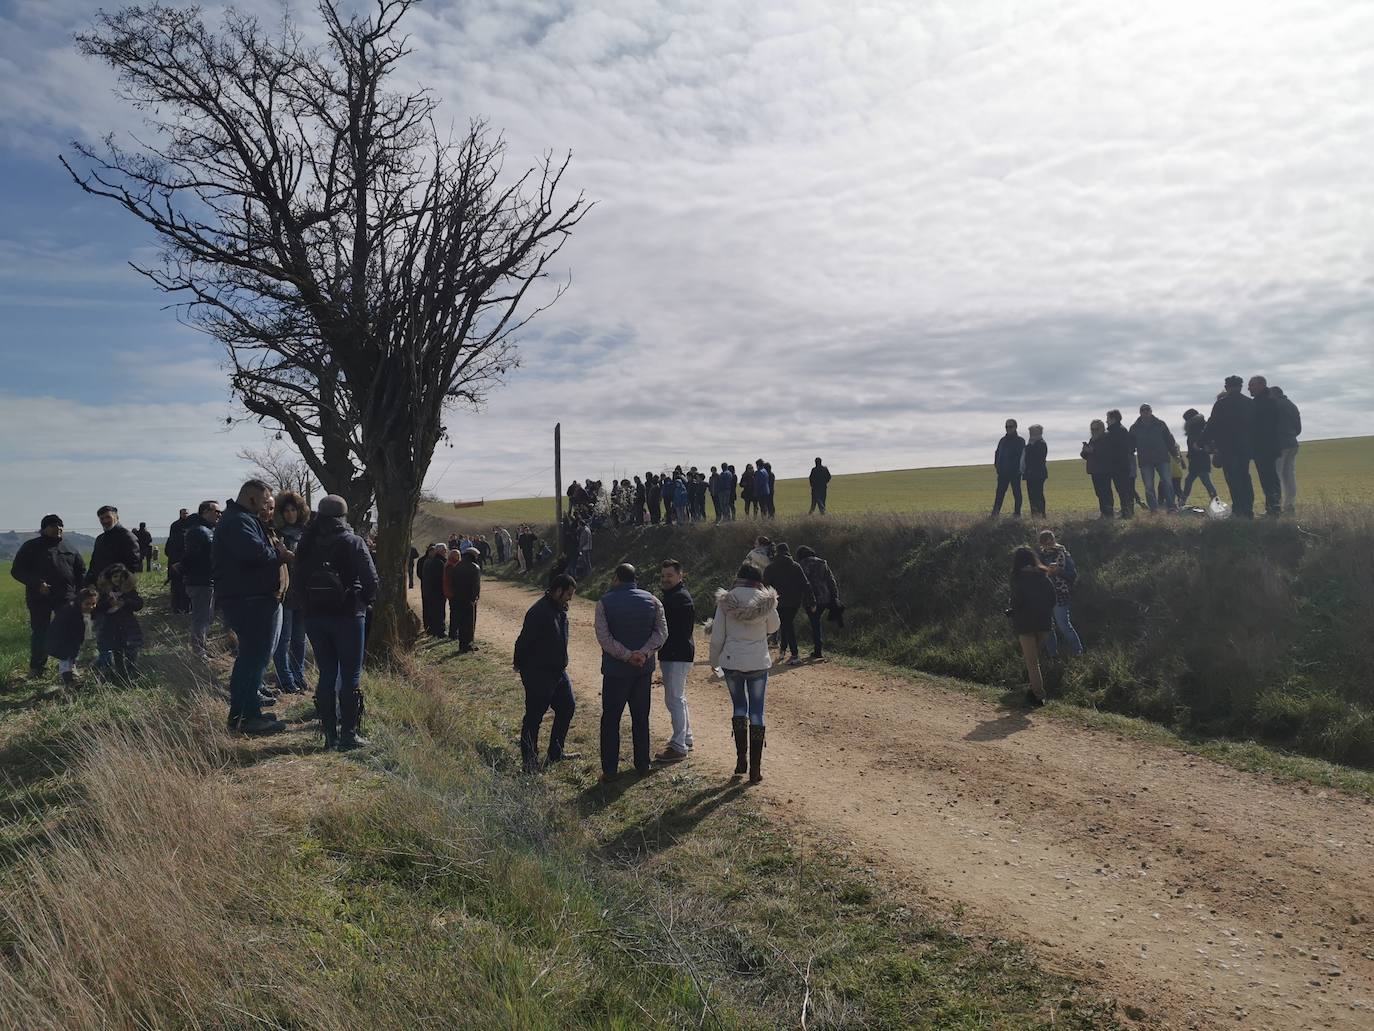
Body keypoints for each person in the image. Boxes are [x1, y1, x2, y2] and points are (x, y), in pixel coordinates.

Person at [295, 494, 378, 750]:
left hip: (314, 617)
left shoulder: (305, 543)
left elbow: (297, 581)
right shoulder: (352, 541)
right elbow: (371, 581)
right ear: (343, 516)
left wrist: (308, 607)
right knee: (350, 676)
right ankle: (349, 736)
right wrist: (362, 602)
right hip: (348, 616)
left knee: (326, 674)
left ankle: (329, 735)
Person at [212, 480, 290, 735]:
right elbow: (255, 554)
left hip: (251, 598)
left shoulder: (242, 518)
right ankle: (245, 718)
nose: (268, 505)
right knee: (252, 659)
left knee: (252, 658)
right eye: (265, 499)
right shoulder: (238, 521)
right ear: (253, 498)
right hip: (249, 600)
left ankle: (249, 711)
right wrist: (279, 552)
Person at [594, 564, 668, 782]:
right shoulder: (653, 601)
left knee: (610, 720)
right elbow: (661, 633)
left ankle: (610, 769)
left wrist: (627, 655)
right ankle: (642, 764)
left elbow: (604, 637)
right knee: (640, 718)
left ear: (616, 578)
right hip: (642, 671)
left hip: (616, 672)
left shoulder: (604, 603)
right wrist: (643, 654)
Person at [709, 563, 780, 783]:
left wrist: (714, 661)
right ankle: (755, 770)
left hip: (732, 662)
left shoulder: (727, 600)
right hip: (758, 662)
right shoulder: (766, 600)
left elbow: (718, 636)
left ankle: (741, 759)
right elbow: (774, 627)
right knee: (757, 711)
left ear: (738, 577)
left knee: (740, 707)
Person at [513, 573, 580, 773]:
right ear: (558, 591)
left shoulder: (559, 609)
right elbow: (523, 641)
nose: (570, 599)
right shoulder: (539, 612)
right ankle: (529, 761)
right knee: (534, 717)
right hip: (538, 673)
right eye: (568, 594)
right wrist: (519, 664)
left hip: (558, 672)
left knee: (567, 707)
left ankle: (556, 752)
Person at [10, 514, 86, 678]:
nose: (58, 529)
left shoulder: (70, 547)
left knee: (68, 631)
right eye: (53, 526)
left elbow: (81, 572)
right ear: (44, 529)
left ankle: (69, 667)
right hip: (39, 597)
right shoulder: (31, 546)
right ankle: (37, 668)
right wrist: (37, 584)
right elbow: (17, 571)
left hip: (66, 597)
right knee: (40, 633)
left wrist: (80, 593)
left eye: (60, 526)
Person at [655, 559, 695, 763]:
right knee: (679, 698)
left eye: (669, 575)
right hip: (677, 653)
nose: (665, 579)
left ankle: (678, 746)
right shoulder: (674, 596)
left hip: (676, 655)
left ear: (680, 576)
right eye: (663, 576)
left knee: (674, 699)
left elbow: (665, 630)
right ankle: (686, 738)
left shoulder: (677, 599)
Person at [271, 492, 310, 694]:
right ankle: (285, 679)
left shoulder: (308, 533)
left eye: (293, 509)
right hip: (285, 592)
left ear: (300, 511)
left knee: (299, 639)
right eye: (286, 510)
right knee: (283, 639)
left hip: (304, 592)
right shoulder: (277, 533)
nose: (290, 514)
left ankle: (298, 675)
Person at [1203, 375, 1256, 519]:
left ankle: (1238, 509)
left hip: (1227, 449)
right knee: (1245, 477)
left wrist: (1202, 442)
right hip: (1245, 448)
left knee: (1233, 479)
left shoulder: (1221, 404)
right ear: (1241, 386)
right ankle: (1248, 509)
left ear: (1227, 387)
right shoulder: (1249, 403)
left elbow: (1211, 426)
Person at [1008, 546, 1055, 707]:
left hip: (1025, 623)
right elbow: (1052, 599)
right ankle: (1033, 689)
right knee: (1036, 659)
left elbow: (1016, 601)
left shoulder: (1017, 578)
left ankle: (1038, 694)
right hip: (1044, 623)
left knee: (1032, 662)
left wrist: (1013, 611)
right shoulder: (1043, 575)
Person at [179, 500, 222, 659]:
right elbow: (193, 558)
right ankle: (199, 652)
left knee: (206, 617)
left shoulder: (209, 530)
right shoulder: (200, 532)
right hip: (200, 581)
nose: (219, 514)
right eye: (215, 511)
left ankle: (202, 647)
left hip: (206, 580)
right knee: (201, 617)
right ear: (204, 512)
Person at [763, 543, 815, 666]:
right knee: (786, 624)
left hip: (777, 601)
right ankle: (783, 650)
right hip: (794, 602)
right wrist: (812, 601)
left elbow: (765, 586)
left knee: (786, 625)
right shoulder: (796, 566)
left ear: (777, 553)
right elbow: (806, 584)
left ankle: (794, 654)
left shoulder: (771, 567)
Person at [1036, 530, 1082, 658]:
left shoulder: (1064, 555)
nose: (1050, 544)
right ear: (1042, 544)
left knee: (1063, 625)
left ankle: (1077, 651)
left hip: (1061, 594)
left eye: (1051, 541)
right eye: (1046, 543)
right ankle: (1053, 654)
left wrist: (1059, 572)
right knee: (1048, 628)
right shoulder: (1040, 557)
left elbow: (1072, 575)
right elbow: (1037, 576)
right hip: (1044, 596)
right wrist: (1046, 573)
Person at [95, 563, 144, 682]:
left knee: (131, 651)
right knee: (116, 651)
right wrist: (108, 604)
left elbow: (139, 604)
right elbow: (97, 608)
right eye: (115, 576)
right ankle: (119, 675)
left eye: (121, 576)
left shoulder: (129, 591)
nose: (118, 579)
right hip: (110, 627)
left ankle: (132, 673)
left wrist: (125, 603)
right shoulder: (104, 593)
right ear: (109, 578)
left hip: (128, 626)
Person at [47, 587, 100, 690]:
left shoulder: (82, 611)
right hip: (60, 639)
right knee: (65, 659)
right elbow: (68, 629)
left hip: (71, 639)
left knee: (71, 657)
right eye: (87, 604)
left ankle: (72, 676)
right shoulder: (71, 612)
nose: (91, 607)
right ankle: (68, 682)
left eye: (93, 603)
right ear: (80, 602)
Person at [1129, 404, 1179, 512]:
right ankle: (1154, 510)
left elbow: (1169, 440)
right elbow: (1130, 445)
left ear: (1151, 411)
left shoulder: (1160, 424)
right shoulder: (1134, 428)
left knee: (1167, 482)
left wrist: (1175, 455)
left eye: (1147, 410)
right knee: (1149, 486)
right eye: (1143, 410)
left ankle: (1171, 507)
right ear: (1140, 412)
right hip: (1145, 460)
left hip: (1162, 458)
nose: (1145, 412)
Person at [795, 545, 840, 660]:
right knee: (817, 622)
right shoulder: (822, 562)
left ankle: (818, 649)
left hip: (811, 599)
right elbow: (831, 580)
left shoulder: (802, 565)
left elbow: (801, 583)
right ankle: (818, 648)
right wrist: (835, 596)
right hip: (825, 597)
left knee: (815, 623)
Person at [1248, 375, 1283, 517]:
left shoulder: (1263, 403)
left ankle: (1273, 508)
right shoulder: (1270, 401)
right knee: (1270, 478)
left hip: (1264, 447)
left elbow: (1258, 426)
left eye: (1251, 385)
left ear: (1260, 385)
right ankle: (1273, 507)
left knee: (1268, 479)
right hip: (1269, 446)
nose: (1248, 388)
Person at [87, 505, 142, 586]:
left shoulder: (127, 537)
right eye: (102, 518)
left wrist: (118, 586)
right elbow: (94, 564)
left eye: (108, 517)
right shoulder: (100, 539)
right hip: (101, 588)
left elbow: (133, 566)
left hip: (119, 589)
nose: (105, 521)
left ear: (116, 517)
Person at [1270, 385, 1302, 515]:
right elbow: (1298, 428)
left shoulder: (1275, 405)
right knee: (1289, 475)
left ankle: (1275, 505)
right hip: (1292, 442)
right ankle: (1289, 506)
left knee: (1276, 475)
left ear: (1273, 394)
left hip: (1279, 444)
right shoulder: (1292, 405)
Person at [1179, 411, 1218, 507]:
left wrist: (1201, 449)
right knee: (1194, 481)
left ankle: (1216, 502)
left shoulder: (1195, 430)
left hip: (1199, 460)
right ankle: (1216, 501)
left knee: (1205, 482)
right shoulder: (1200, 428)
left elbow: (1199, 445)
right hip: (1198, 460)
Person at [448, 547, 482, 653]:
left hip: (458, 598)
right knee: (470, 622)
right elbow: (476, 585)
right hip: (469, 599)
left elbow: (452, 582)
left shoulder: (457, 566)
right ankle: (468, 644)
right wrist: (475, 597)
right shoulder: (475, 567)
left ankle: (462, 644)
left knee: (461, 622)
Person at [1103, 410, 1136, 518]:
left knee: (1123, 490)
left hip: (1119, 466)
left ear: (1113, 419)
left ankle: (1127, 512)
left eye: (1108, 418)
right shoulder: (1119, 430)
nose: (1106, 421)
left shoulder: (1117, 431)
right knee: (1124, 490)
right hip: (1121, 465)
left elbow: (1120, 450)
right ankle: (1127, 511)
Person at [1079, 421, 1114, 518]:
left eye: (1096, 429)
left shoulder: (1106, 438)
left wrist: (1093, 451)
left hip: (1104, 469)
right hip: (1094, 470)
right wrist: (1085, 451)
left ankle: (1109, 513)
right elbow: (1085, 456)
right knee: (1099, 492)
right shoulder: (1092, 439)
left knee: (1105, 492)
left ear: (1102, 428)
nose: (1094, 431)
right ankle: (1104, 513)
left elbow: (1106, 454)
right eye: (1092, 429)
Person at [992, 420, 1026, 516]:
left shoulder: (1020, 441)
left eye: (1010, 426)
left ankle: (1017, 513)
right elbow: (997, 453)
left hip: (1015, 473)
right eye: (1006, 427)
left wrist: (1017, 469)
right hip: (1002, 473)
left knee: (1017, 493)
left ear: (1015, 427)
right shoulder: (1002, 440)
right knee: (999, 494)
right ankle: (995, 513)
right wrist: (997, 466)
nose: (1008, 428)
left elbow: (1020, 457)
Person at [420, 543, 449, 636]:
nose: (446, 552)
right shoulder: (438, 562)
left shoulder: (430, 561)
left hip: (430, 590)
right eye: (444, 550)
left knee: (433, 611)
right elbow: (440, 578)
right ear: (440, 551)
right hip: (437, 591)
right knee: (439, 611)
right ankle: (439, 631)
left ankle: (433, 629)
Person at [166, 508, 191, 613]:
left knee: (182, 587)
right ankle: (177, 607)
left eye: (186, 513)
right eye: (183, 513)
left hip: (182, 563)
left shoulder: (190, 526)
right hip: (176, 563)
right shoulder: (175, 526)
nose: (185, 515)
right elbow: (168, 551)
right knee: (177, 586)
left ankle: (182, 608)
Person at [1022, 427, 1048, 517]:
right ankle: (1034, 514)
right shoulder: (1031, 444)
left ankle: (1041, 514)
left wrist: (1030, 446)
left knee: (1038, 495)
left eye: (1032, 433)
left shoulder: (1041, 444)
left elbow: (1038, 458)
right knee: (1032, 496)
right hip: (1030, 474)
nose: (1031, 435)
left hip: (1038, 474)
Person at [442, 544, 462, 639]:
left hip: (452, 592)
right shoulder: (451, 566)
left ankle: (454, 632)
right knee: (455, 614)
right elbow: (452, 581)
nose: (459, 557)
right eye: (457, 555)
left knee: (455, 613)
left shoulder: (451, 564)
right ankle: (453, 634)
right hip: (453, 593)